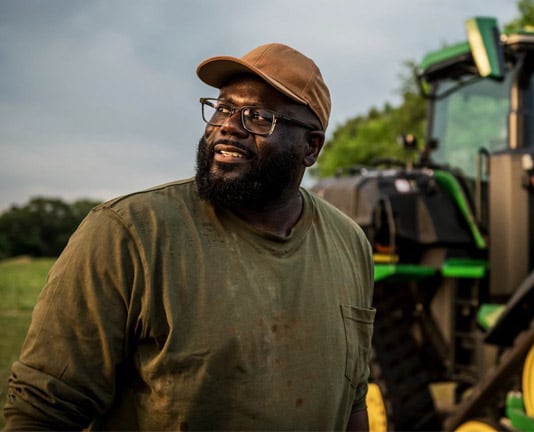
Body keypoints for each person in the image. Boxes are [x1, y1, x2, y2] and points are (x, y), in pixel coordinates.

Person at [4, 43, 375, 431]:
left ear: (311, 146)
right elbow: (42, 412)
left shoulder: (349, 244)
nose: (229, 125)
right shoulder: (129, 234)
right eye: (223, 108)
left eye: (259, 117)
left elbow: (352, 398)